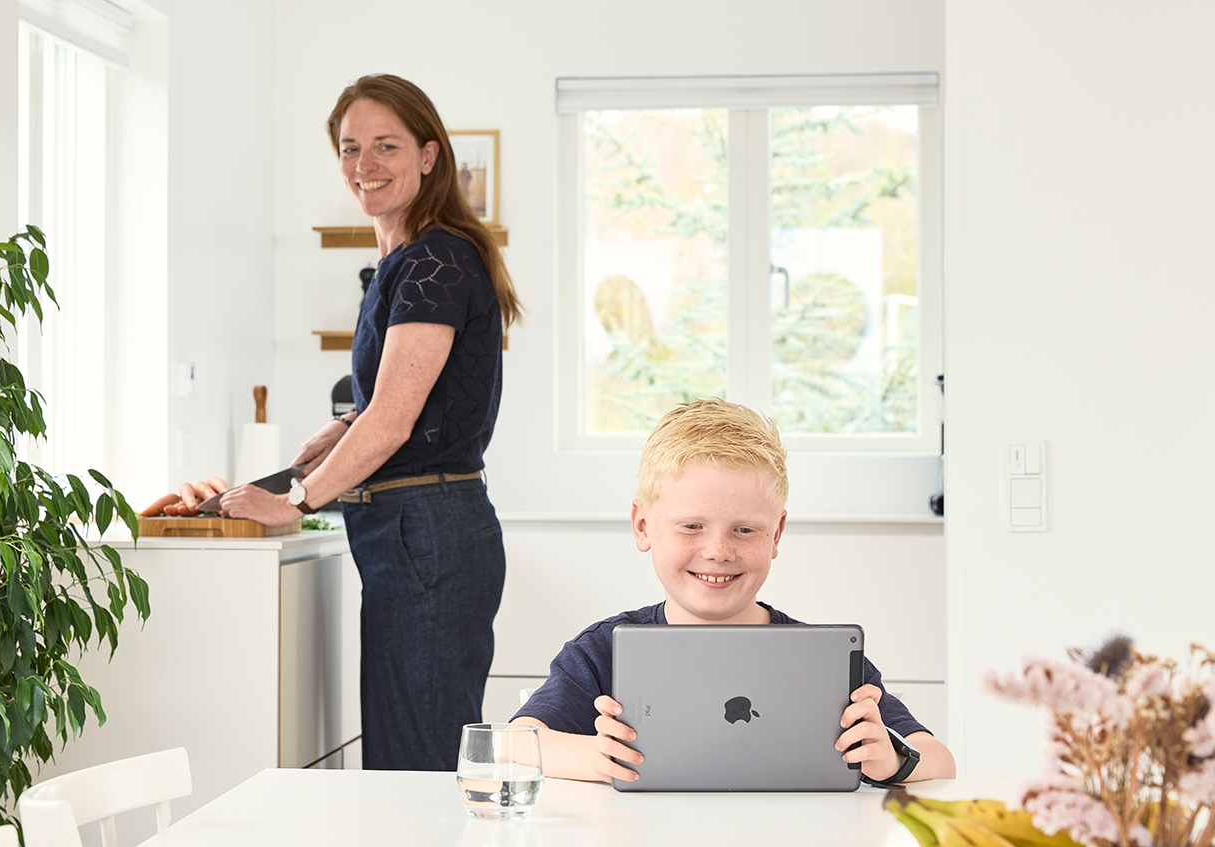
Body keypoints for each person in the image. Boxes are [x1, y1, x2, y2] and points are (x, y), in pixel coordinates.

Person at [213, 75, 521, 772]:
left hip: (427, 533)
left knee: (414, 768)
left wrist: (295, 500)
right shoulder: (403, 262)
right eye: (350, 148)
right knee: (403, 759)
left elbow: (394, 420)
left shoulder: (435, 260)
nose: (364, 165)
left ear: (429, 156)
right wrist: (344, 426)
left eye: (386, 145)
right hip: (416, 531)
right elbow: (406, 399)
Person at [511, 398, 956, 786]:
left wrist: (893, 759)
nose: (718, 551)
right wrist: (593, 757)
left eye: (745, 530)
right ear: (642, 525)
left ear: (776, 533)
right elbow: (513, 744)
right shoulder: (602, 652)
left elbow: (940, 760)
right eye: (691, 527)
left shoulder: (824, 659)